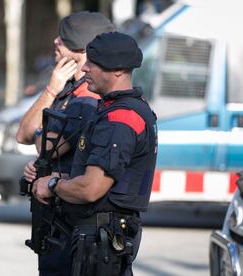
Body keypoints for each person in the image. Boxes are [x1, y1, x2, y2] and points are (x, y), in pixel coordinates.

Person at [32, 32, 158, 275]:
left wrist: (54, 184)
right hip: (96, 239)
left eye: (94, 63)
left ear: (118, 69)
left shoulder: (121, 117)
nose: (86, 67)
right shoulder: (115, 108)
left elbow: (91, 188)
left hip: (99, 245)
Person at [18, 11, 115, 276]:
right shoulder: (65, 89)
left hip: (71, 219)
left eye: (65, 38)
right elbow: (24, 135)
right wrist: (51, 89)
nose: (56, 41)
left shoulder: (88, 97)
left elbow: (46, 147)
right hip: (55, 217)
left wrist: (43, 154)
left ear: (82, 48)